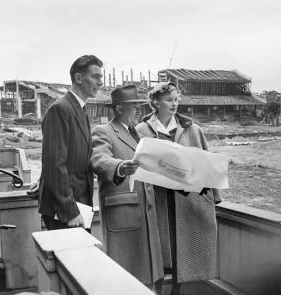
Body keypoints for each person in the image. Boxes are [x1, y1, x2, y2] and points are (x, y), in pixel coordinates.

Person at [136, 82, 222, 294]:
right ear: (155, 102)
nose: (174, 104)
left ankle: (177, 291)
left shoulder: (192, 130)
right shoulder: (141, 131)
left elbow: (207, 163)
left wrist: (215, 196)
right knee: (157, 255)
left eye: (176, 99)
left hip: (186, 202)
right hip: (157, 201)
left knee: (182, 256)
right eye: (169, 100)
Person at [91, 85, 164, 288]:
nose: (139, 111)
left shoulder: (138, 135)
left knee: (149, 279)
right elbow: (98, 160)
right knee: (125, 280)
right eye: (133, 106)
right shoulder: (104, 131)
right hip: (124, 218)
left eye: (139, 106)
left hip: (146, 216)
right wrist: (120, 167)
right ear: (119, 109)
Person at [37, 55, 103, 230]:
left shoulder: (79, 109)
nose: (100, 82)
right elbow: (54, 164)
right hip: (66, 209)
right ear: (79, 78)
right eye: (95, 76)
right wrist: (70, 211)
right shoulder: (61, 109)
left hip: (79, 203)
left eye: (101, 77)